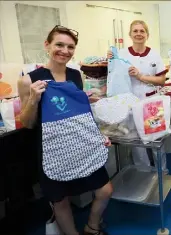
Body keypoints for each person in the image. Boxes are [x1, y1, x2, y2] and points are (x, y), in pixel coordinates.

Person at [17, 25, 112, 235]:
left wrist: (97, 134)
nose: (65, 50)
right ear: (47, 45)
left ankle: (92, 227)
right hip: (52, 150)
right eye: (59, 44)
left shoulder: (75, 75)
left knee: (105, 190)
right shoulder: (28, 81)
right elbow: (26, 123)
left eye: (70, 47)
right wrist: (33, 99)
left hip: (80, 143)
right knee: (60, 202)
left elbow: (79, 113)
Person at [107, 20, 169, 174]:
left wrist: (141, 76)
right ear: (130, 34)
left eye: (142, 31)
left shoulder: (154, 55)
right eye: (135, 31)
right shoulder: (121, 54)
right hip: (130, 104)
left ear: (147, 35)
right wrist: (110, 59)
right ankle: (144, 172)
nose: (139, 34)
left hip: (151, 104)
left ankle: (162, 171)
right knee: (136, 142)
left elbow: (161, 80)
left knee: (156, 139)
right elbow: (113, 74)